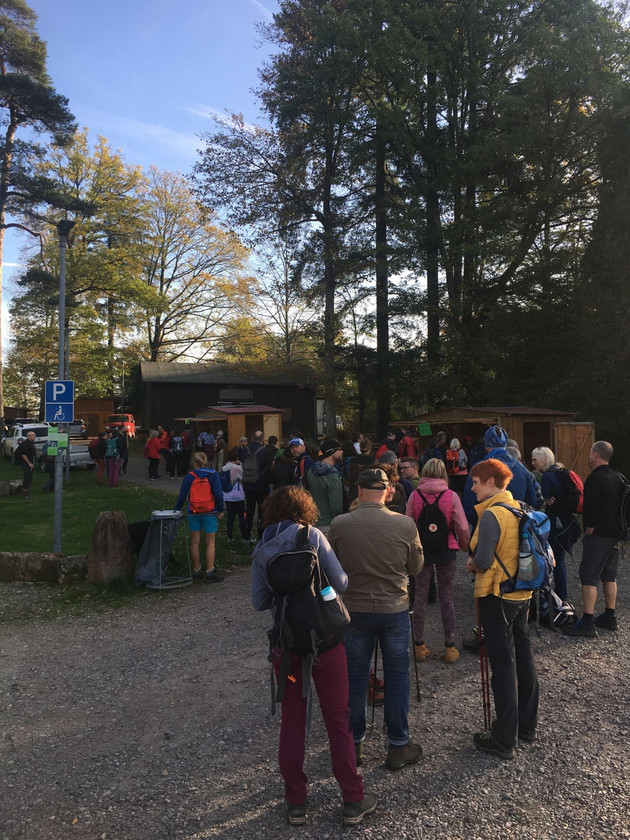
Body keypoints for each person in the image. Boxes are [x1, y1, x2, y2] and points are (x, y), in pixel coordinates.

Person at [251, 486, 377, 827]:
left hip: (287, 644)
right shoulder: (314, 537)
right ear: (304, 509)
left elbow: (259, 602)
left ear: (272, 512)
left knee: (292, 720)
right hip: (325, 640)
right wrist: (322, 590)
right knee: (337, 717)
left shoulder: (263, 548)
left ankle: (296, 802)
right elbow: (342, 582)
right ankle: (352, 798)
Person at [329, 468, 424, 771]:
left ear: (358, 490)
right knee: (397, 678)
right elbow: (416, 566)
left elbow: (334, 568)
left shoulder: (341, 524)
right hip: (393, 608)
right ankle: (397, 745)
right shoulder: (406, 524)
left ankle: (353, 744)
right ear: (388, 491)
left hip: (354, 609)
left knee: (354, 678)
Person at [465, 458, 539, 759]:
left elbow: (482, 561)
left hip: (497, 595)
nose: (472, 488)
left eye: (476, 482)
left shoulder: (493, 514)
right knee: (524, 657)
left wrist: (471, 564)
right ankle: (527, 727)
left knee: (502, 664)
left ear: (491, 483)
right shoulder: (519, 506)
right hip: (523, 593)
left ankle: (504, 738)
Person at [406, 458, 470, 663]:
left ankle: (419, 645)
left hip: (422, 550)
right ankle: (450, 647)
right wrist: (464, 545)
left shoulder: (414, 495)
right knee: (446, 597)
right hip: (446, 549)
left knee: (420, 597)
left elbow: (408, 524)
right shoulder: (451, 496)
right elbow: (462, 526)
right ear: (444, 473)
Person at [562, 441, 623, 637]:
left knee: (589, 576)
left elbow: (591, 508)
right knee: (609, 575)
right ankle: (609, 616)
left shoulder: (594, 479)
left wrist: (589, 529)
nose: (589, 455)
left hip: (598, 535)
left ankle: (587, 621)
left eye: (590, 452)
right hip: (615, 534)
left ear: (596, 454)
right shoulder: (618, 477)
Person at [531, 446, 580, 602]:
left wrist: (545, 502)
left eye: (535, 460)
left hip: (555, 523)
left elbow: (542, 502)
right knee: (560, 559)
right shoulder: (560, 472)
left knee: (553, 560)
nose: (532, 463)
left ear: (544, 460)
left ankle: (557, 596)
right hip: (566, 521)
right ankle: (562, 595)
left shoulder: (547, 477)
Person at [462, 426, 538, 525]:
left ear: (486, 445)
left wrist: (477, 525)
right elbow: (532, 502)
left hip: (486, 527)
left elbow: (468, 505)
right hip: (515, 528)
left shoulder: (478, 468)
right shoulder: (522, 468)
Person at [175, 452, 224, 582]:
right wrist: (220, 509)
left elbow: (182, 495)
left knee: (195, 541)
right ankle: (210, 572)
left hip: (193, 512)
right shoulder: (213, 475)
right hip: (210, 511)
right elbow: (218, 493)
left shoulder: (190, 477)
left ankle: (197, 570)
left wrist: (177, 509)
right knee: (210, 542)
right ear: (206, 462)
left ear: (194, 463)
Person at [303, 438, 344, 534]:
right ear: (332, 451)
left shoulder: (310, 471)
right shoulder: (332, 475)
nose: (342, 452)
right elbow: (336, 506)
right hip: (328, 525)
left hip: (312, 522)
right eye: (339, 449)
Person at [242, 430, 274, 544]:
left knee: (249, 512)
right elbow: (272, 465)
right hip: (262, 485)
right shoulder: (266, 451)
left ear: (251, 438)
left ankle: (246, 537)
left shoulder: (245, 450)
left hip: (248, 485)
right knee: (262, 512)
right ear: (263, 440)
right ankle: (261, 537)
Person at [221, 447, 247, 542]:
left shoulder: (224, 468)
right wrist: (240, 465)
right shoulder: (237, 468)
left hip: (227, 496)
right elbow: (243, 478)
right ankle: (244, 536)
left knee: (230, 517)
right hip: (237, 496)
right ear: (236, 457)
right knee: (241, 517)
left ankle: (230, 536)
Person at [15, 430, 37, 500]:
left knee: (29, 478)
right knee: (27, 477)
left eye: (34, 435)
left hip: (30, 463)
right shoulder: (26, 444)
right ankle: (24, 492)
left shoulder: (31, 443)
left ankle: (26, 491)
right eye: (33, 435)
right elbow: (23, 454)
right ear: (29, 436)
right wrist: (29, 463)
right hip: (26, 464)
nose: (34, 436)